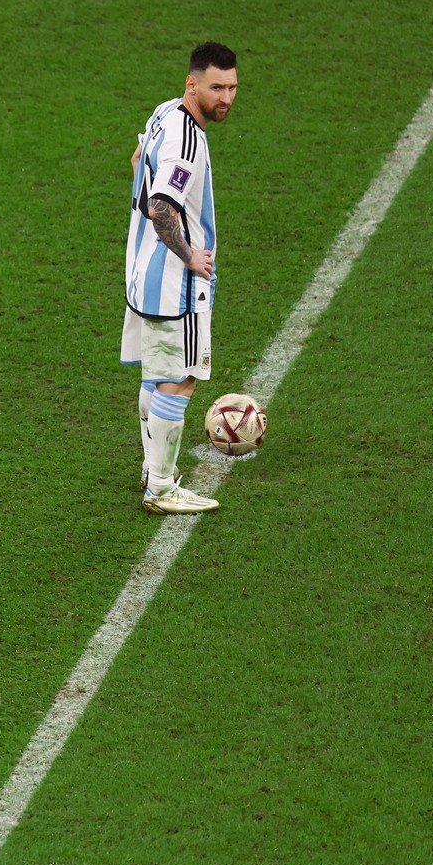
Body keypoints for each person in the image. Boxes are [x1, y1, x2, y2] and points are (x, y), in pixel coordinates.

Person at [122, 42, 238, 514]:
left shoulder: (165, 112)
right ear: (193, 84)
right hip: (175, 285)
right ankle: (162, 488)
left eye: (232, 87)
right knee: (183, 377)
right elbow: (160, 207)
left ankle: (154, 470)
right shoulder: (187, 142)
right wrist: (191, 257)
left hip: (141, 274)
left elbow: (136, 162)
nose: (225, 98)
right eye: (216, 87)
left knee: (157, 373)